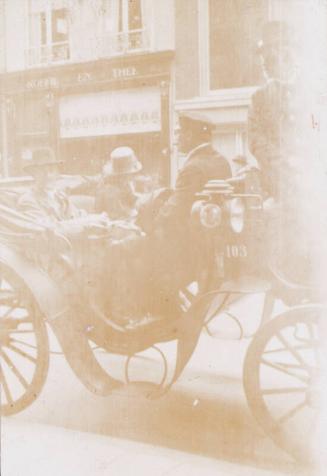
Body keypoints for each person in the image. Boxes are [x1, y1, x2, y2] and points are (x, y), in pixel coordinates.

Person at [248, 20, 324, 286]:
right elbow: (256, 141)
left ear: (290, 57)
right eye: (266, 59)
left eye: (276, 56)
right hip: (278, 182)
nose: (269, 64)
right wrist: (285, 164)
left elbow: (318, 131)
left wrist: (308, 161)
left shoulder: (314, 96)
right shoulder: (259, 98)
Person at [95, 146, 142, 220]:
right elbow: (118, 214)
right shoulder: (110, 189)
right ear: (121, 174)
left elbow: (131, 196)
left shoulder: (126, 183)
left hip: (124, 213)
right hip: (111, 220)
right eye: (130, 174)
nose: (132, 176)